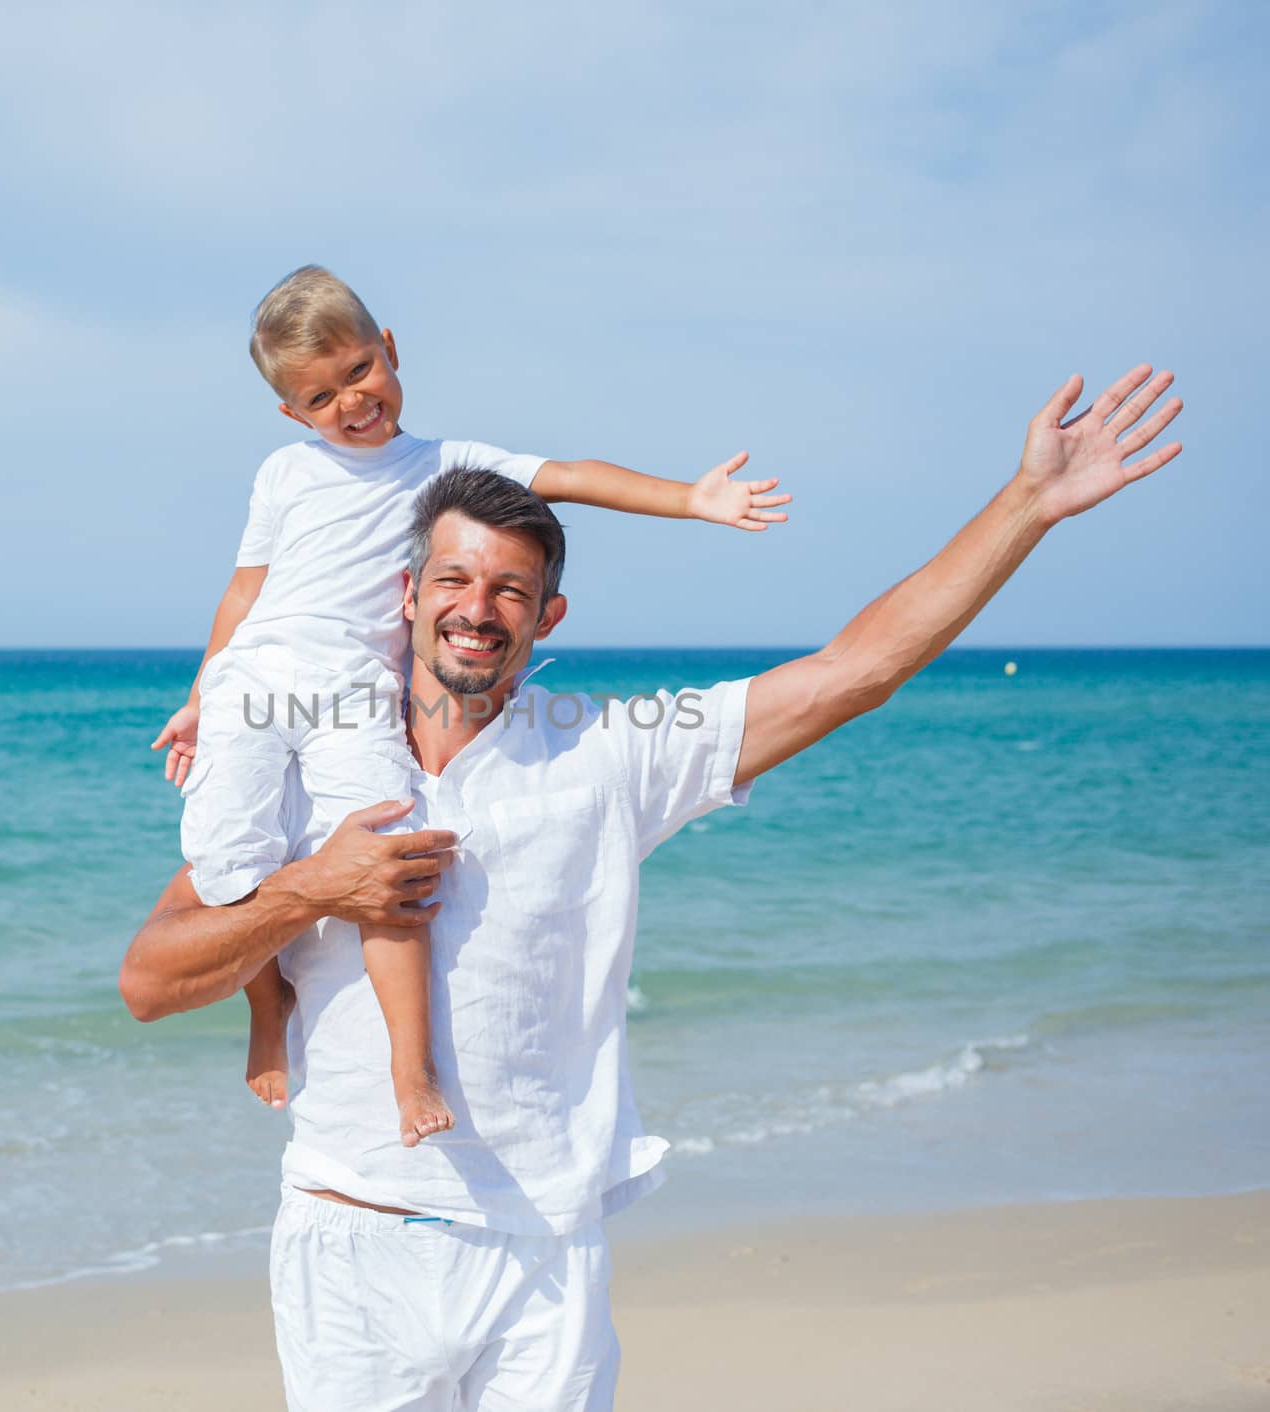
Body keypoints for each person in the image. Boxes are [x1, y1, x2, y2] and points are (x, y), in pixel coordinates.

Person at [120, 364, 1181, 1409]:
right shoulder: (309, 753)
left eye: (509, 590)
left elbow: (852, 671)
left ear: (549, 616)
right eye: (451, 579)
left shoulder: (609, 752)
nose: (475, 608)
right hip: (349, 1234)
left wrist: (1028, 504)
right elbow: (150, 981)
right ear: (405, 595)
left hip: (543, 1246)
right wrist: (314, 887)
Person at [147, 265, 791, 1145]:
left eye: (362, 371)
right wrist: (202, 697)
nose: (351, 402)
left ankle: (411, 1072)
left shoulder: (446, 466)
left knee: (384, 868)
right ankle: (269, 1002)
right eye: (322, 395)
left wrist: (690, 500)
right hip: (252, 683)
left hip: (352, 697)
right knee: (230, 860)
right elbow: (243, 592)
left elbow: (569, 474)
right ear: (294, 414)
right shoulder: (285, 473)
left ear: (392, 351)